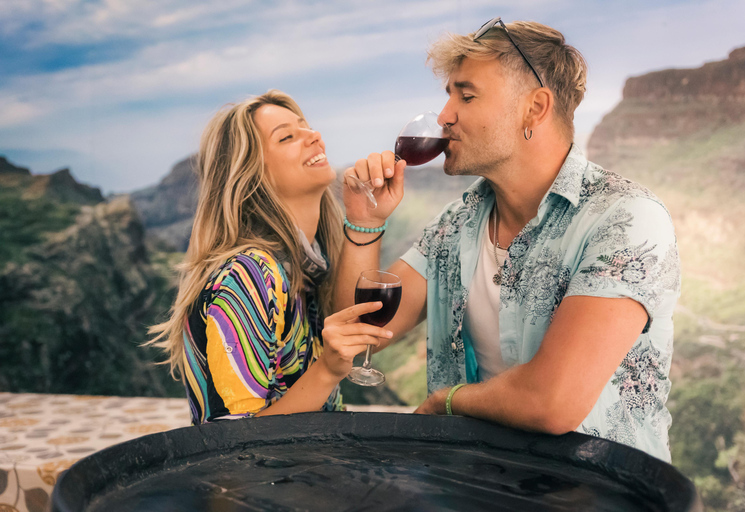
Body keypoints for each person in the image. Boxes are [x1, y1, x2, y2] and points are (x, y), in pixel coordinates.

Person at [336, 18, 681, 462]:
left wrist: (447, 401)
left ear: (534, 108)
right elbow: (359, 332)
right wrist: (365, 222)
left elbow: (551, 401)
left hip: (599, 488)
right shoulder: (457, 223)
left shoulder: (625, 219)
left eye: (467, 95)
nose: (444, 116)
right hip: (483, 484)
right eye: (448, 96)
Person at [147, 90, 394, 424]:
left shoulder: (306, 267)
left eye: (306, 127)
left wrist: (366, 220)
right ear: (252, 174)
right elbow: (233, 440)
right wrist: (327, 371)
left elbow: (353, 324)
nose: (315, 137)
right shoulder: (247, 276)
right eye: (288, 137)